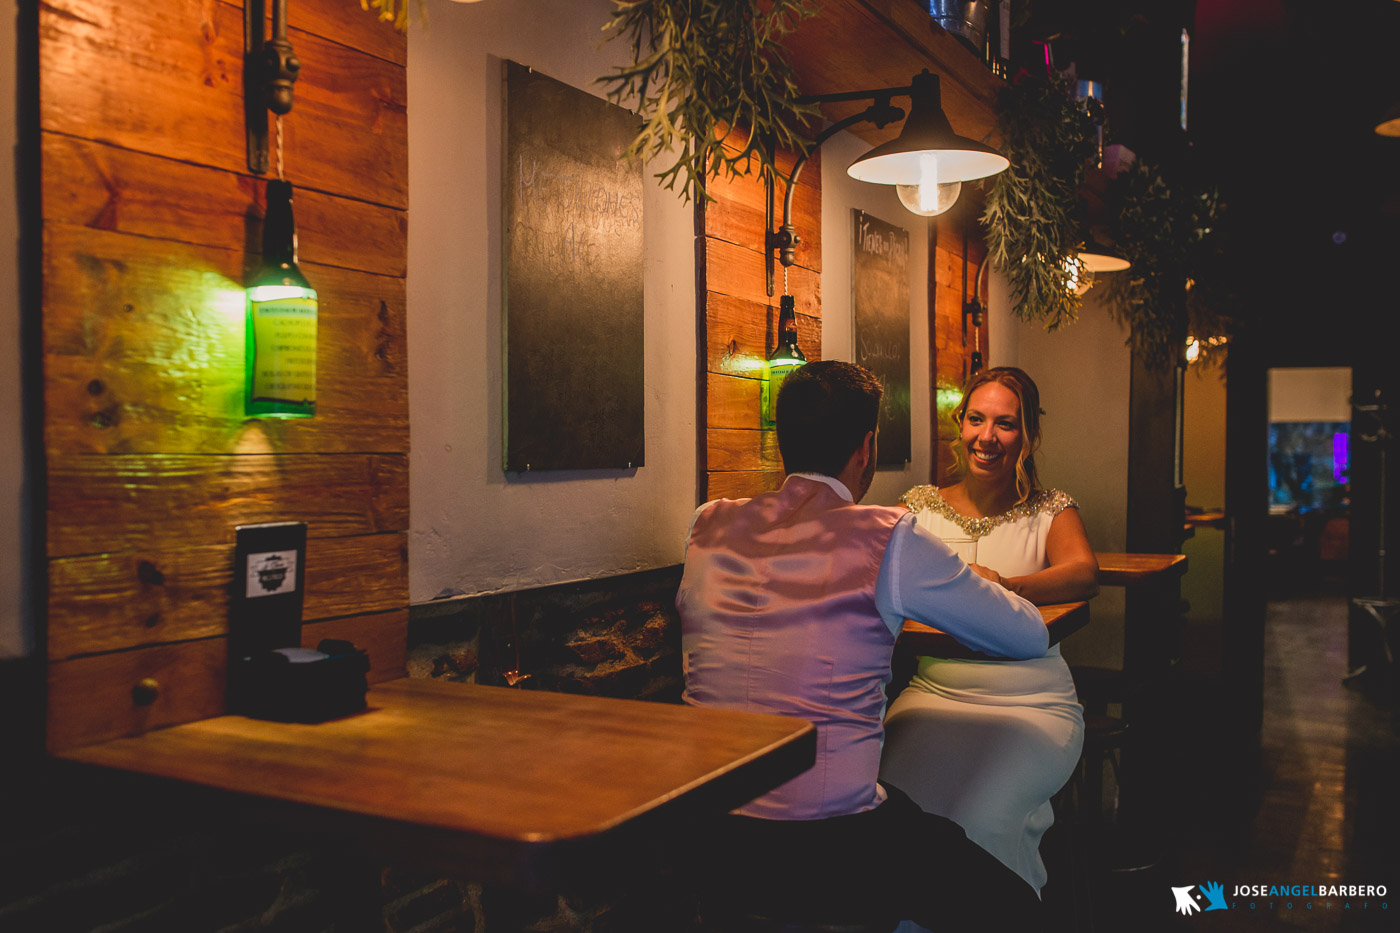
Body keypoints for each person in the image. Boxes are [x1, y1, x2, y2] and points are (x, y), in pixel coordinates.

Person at [677, 360, 1048, 929]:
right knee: (1019, 912)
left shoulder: (708, 524)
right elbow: (1026, 634)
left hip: (709, 837)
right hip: (833, 845)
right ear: (867, 448)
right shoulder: (888, 537)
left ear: (783, 444)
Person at [880, 366, 1099, 917]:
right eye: (977, 419)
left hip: (1031, 701)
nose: (988, 436)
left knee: (980, 816)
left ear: (1027, 435)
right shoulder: (921, 508)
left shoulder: (1051, 508)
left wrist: (1009, 587)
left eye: (1006, 424)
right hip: (932, 694)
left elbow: (1084, 572)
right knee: (896, 814)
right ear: (960, 424)